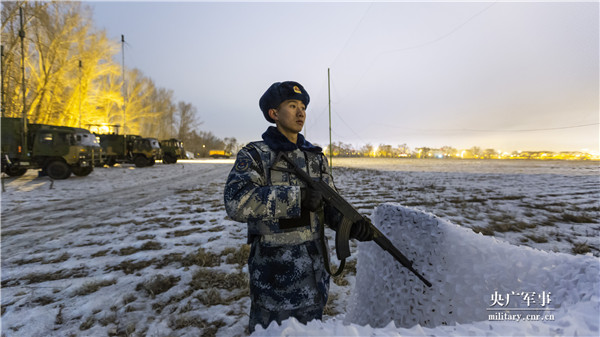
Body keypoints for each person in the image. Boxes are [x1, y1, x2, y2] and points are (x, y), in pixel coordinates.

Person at [223, 81, 373, 333]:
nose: (300, 112)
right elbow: (236, 202)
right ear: (274, 114)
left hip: (314, 275)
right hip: (275, 277)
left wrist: (353, 224)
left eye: (302, 107)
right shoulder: (255, 155)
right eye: (292, 106)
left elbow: (331, 203)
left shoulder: (314, 157)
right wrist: (296, 198)